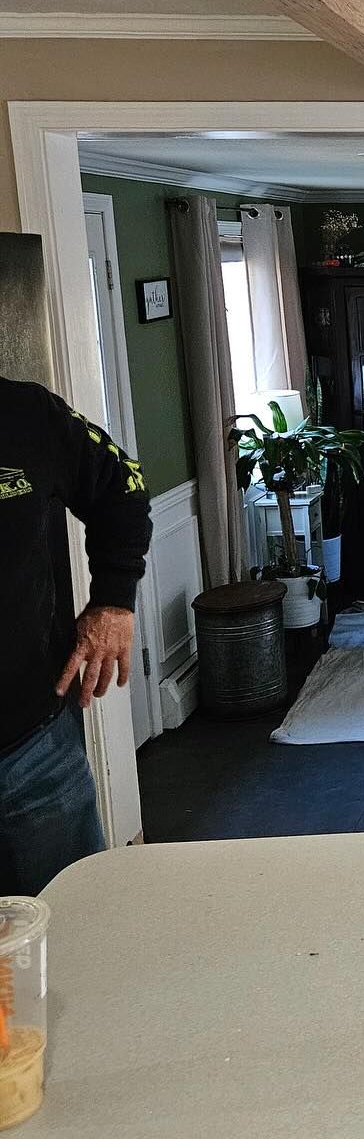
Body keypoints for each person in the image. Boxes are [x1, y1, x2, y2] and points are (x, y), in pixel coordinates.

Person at [0, 376, 152, 894]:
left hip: (32, 757)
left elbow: (122, 485)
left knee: (76, 937)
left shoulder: (25, 413)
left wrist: (113, 600)